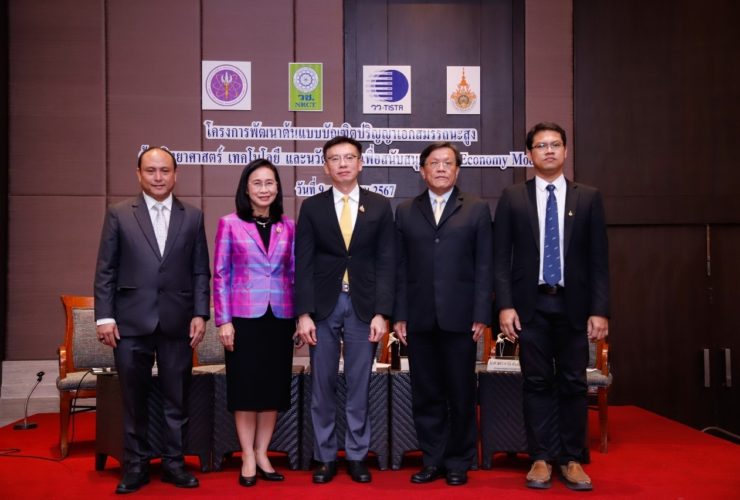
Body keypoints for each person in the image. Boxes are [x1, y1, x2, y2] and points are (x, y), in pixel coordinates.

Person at [493, 122, 610, 491]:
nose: (548, 150)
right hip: (531, 306)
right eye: (541, 145)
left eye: (555, 144)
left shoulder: (588, 197)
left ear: (565, 151)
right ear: (529, 154)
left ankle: (572, 458)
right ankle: (541, 458)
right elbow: (501, 259)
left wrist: (600, 309)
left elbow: (599, 260)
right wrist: (505, 306)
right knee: (536, 382)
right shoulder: (513, 196)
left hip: (575, 306)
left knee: (574, 382)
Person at [94, 146, 211, 494]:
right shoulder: (119, 214)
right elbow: (106, 269)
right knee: (134, 400)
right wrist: (104, 317)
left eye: (164, 171)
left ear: (175, 175)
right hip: (129, 323)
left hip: (178, 322)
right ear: (138, 174)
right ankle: (135, 465)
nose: (158, 177)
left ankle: (174, 464)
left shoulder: (193, 216)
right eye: (151, 171)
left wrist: (200, 313)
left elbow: (200, 271)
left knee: (177, 399)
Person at [295, 136, 395, 484]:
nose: (342, 164)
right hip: (323, 307)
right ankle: (324, 456)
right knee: (322, 384)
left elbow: (387, 261)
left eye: (349, 157)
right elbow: (303, 262)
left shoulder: (379, 206)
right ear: (326, 167)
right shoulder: (312, 207)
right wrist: (304, 313)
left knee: (359, 384)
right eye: (335, 159)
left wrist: (382, 312)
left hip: (364, 306)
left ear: (360, 163)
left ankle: (356, 455)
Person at [393, 141, 493, 486]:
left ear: (457, 170)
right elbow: (399, 267)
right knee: (426, 393)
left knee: (461, 392)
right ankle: (432, 459)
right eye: (433, 163)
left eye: (447, 163)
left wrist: (481, 312)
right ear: (422, 171)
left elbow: (484, 265)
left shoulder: (476, 209)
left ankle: (459, 461)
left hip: (462, 318)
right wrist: (400, 314)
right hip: (419, 317)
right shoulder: (406, 210)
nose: (440, 168)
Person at [213, 159, 296, 487]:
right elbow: (221, 274)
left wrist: (299, 316)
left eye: (270, 183)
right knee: (246, 389)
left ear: (277, 188)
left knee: (272, 389)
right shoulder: (230, 224)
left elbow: (294, 273)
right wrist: (223, 320)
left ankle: (263, 453)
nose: (264, 189)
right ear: (246, 189)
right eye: (257, 183)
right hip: (243, 319)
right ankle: (247, 454)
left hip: (280, 317)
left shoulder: (289, 226)